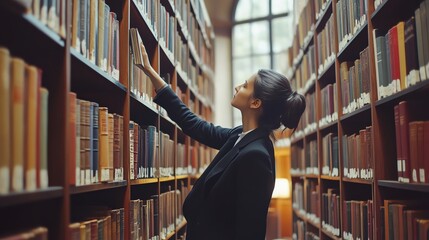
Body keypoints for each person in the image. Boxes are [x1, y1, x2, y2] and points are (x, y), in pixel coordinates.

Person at [140, 43, 306, 240]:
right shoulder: (240, 136)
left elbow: (249, 230)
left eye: (245, 85)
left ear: (255, 103)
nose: (238, 87)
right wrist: (151, 73)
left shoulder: (256, 155)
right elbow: (196, 126)